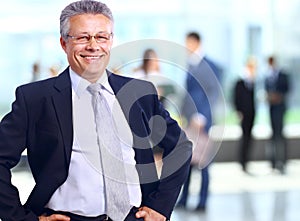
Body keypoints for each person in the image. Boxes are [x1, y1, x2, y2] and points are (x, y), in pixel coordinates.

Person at [0, 1, 192, 221]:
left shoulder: (139, 92)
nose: (93, 46)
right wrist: (21, 218)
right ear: (64, 43)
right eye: (82, 37)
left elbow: (180, 146)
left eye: (101, 37)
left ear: (110, 41)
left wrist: (160, 206)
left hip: (131, 217)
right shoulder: (35, 99)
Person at [177, 32, 222, 211]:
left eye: (188, 42)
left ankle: (202, 201)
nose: (186, 46)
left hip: (202, 123)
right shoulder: (191, 64)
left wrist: (201, 117)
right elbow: (187, 94)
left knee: (203, 162)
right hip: (190, 122)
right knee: (187, 161)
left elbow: (214, 94)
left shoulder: (210, 66)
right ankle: (184, 198)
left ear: (196, 42)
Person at [264, 56, 290, 174]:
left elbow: (287, 89)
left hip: (280, 108)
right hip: (272, 108)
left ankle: (283, 161)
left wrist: (278, 96)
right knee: (273, 135)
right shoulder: (267, 77)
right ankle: (273, 162)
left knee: (280, 134)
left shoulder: (283, 75)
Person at [233, 57, 257, 172]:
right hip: (243, 113)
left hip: (252, 113)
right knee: (244, 136)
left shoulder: (254, 81)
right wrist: (238, 110)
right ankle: (242, 161)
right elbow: (236, 97)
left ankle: (246, 160)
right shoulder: (240, 82)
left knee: (249, 137)